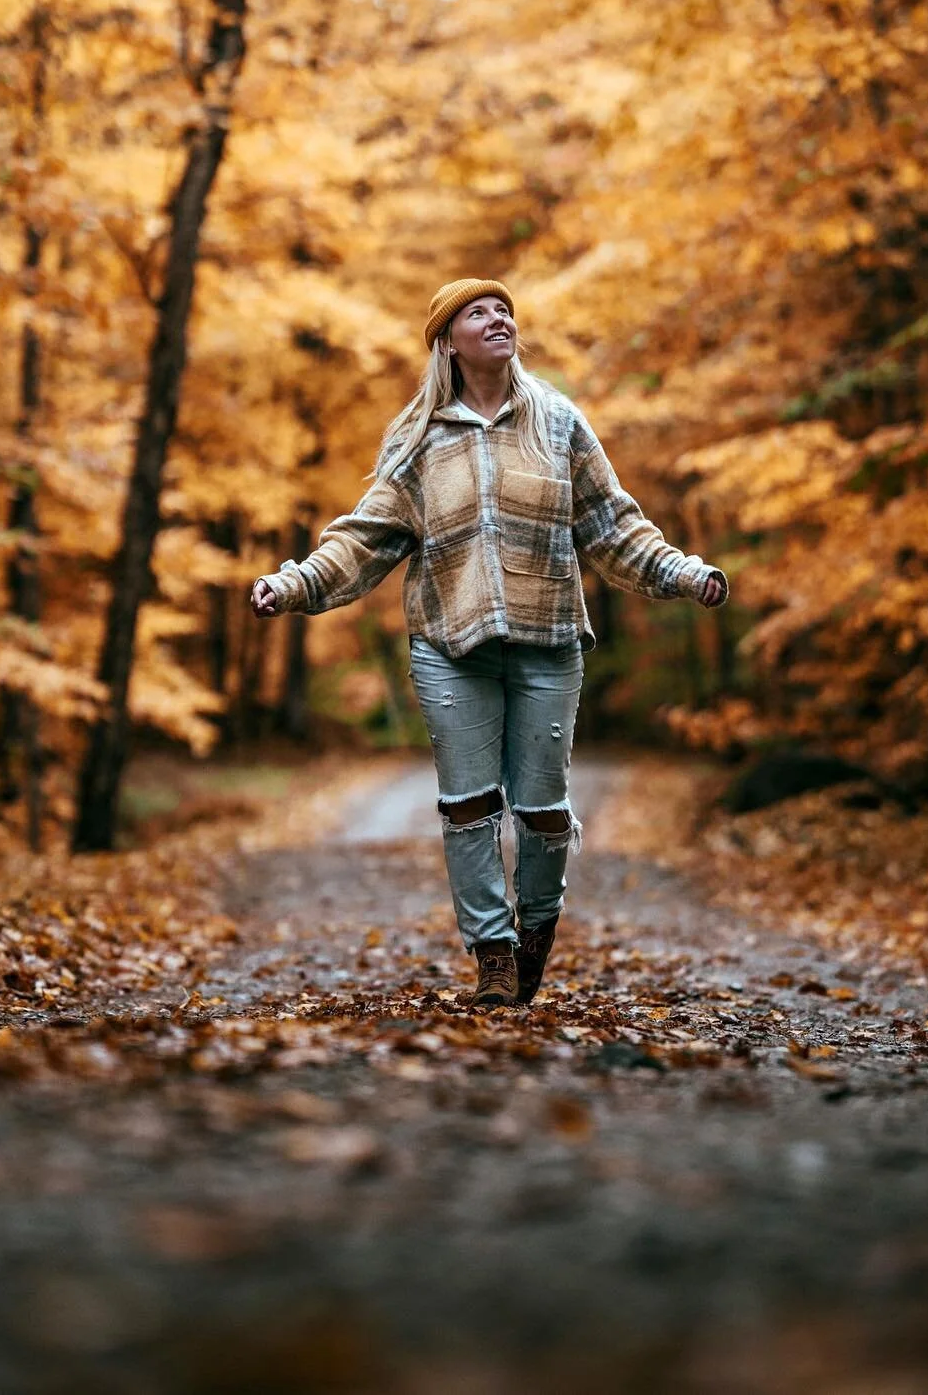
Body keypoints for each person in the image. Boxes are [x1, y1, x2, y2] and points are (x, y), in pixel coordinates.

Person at [252, 278, 728, 1009]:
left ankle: (536, 927)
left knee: (542, 810)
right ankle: (493, 955)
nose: (498, 317)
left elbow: (614, 526)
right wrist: (293, 585)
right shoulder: (417, 439)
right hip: (450, 644)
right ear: (448, 342)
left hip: (547, 641)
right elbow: (366, 537)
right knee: (469, 806)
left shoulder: (559, 423)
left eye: (504, 308)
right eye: (478, 312)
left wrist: (684, 573)